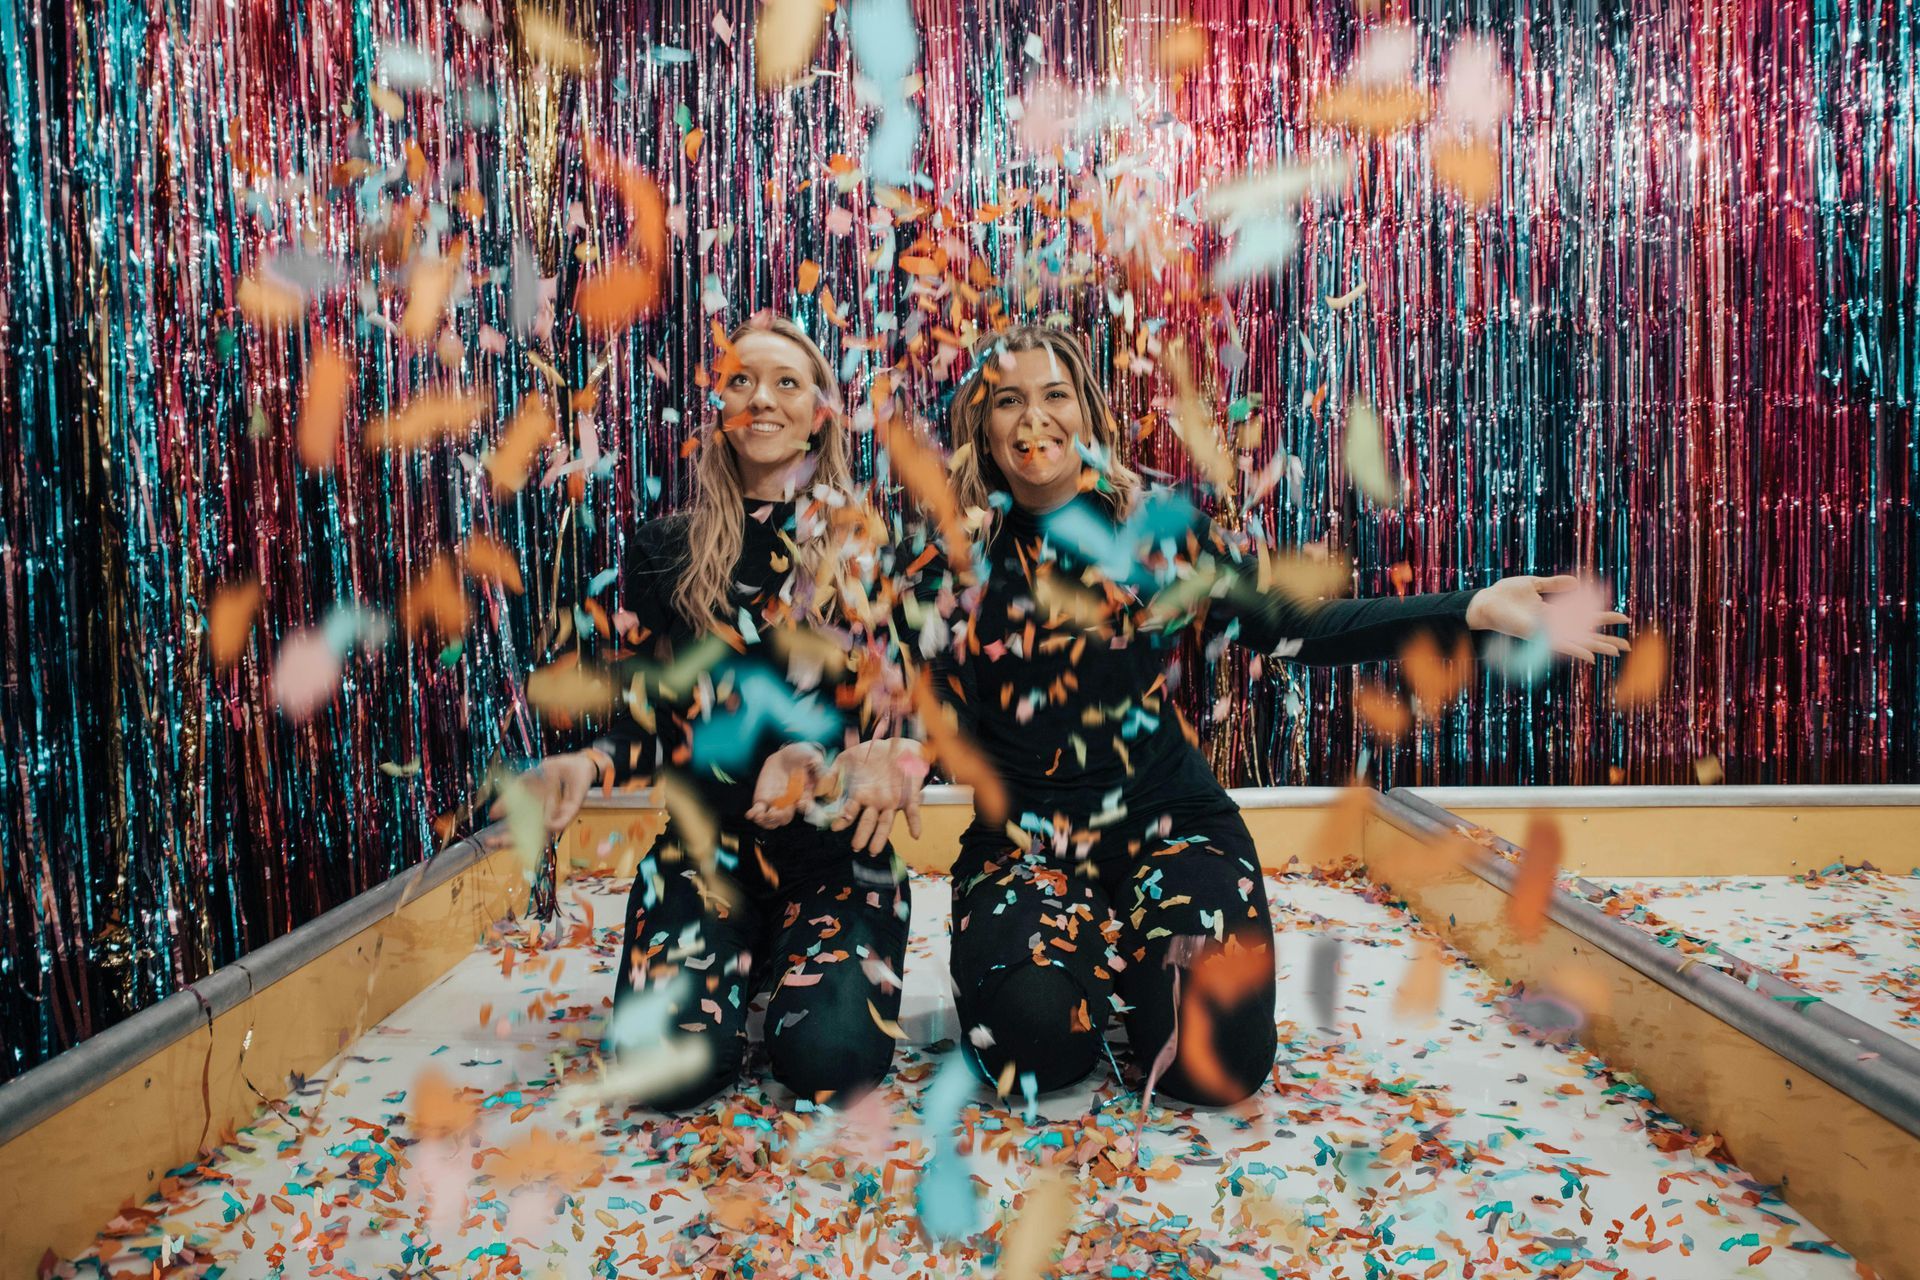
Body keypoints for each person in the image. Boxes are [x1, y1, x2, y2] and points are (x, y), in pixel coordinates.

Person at [893, 323, 1630, 1107]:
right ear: (985, 425)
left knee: (1216, 1066)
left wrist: (1473, 608)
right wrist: (898, 750)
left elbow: (1297, 629)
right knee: (1036, 1050)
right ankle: (1057, 967)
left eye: (1054, 395)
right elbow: (920, 705)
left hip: (1172, 827)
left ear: (1088, 416)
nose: (1033, 418)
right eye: (1009, 400)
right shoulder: (946, 563)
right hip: (1024, 845)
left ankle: (1137, 963)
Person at [508, 313, 923, 1109]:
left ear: (821, 414)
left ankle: (789, 960)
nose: (761, 398)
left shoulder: (872, 549)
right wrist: (585, 764)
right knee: (671, 1076)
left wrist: (868, 761)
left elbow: (902, 717)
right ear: (721, 410)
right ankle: (742, 956)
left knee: (830, 1062)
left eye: (786, 382)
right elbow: (643, 721)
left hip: (836, 864)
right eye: (741, 380)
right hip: (704, 859)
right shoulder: (663, 550)